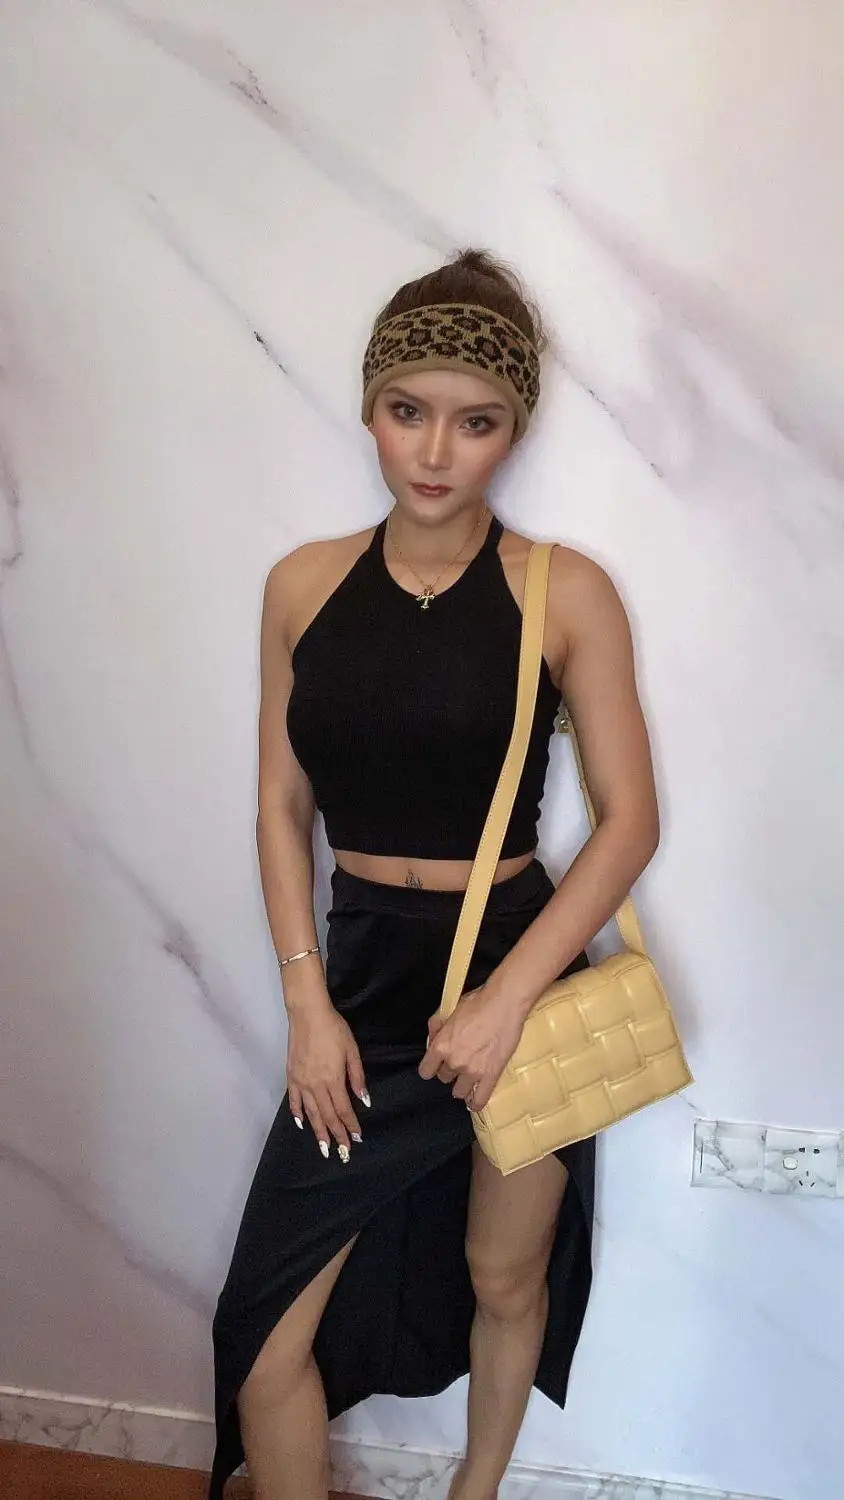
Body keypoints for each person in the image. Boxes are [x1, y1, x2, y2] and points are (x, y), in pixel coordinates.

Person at [208, 249, 660, 1500]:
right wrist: (306, 1002)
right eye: (408, 410)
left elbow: (629, 823)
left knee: (503, 1275)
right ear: (370, 406)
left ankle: (474, 1491)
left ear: (514, 430)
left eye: (477, 421)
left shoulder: (565, 592)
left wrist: (508, 1001)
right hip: (357, 978)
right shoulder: (301, 585)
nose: (435, 451)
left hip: (518, 967)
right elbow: (279, 803)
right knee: (263, 1341)